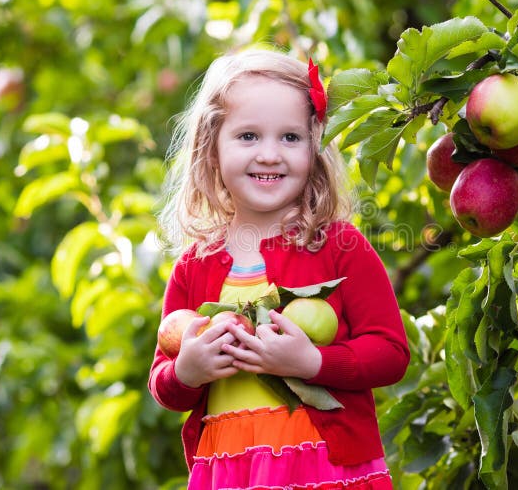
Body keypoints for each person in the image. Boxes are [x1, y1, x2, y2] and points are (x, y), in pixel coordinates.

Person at [148, 47, 410, 489]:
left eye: (290, 138)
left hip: (323, 467)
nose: (270, 154)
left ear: (316, 147)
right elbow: (163, 380)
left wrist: (312, 361)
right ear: (212, 149)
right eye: (248, 136)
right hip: (232, 470)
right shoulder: (195, 266)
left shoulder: (340, 247)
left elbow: (390, 353)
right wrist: (187, 372)